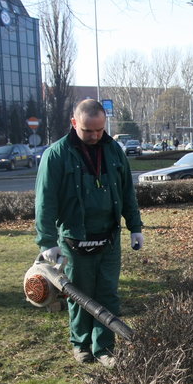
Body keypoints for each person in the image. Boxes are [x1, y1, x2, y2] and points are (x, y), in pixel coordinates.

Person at [34, 99, 144, 368]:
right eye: (88, 131)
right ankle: (81, 344)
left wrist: (135, 227)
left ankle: (105, 347)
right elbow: (45, 199)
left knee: (107, 295)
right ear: (74, 123)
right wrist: (47, 241)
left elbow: (127, 191)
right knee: (80, 295)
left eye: (99, 130)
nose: (95, 136)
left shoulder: (114, 151)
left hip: (108, 239)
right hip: (74, 240)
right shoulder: (57, 154)